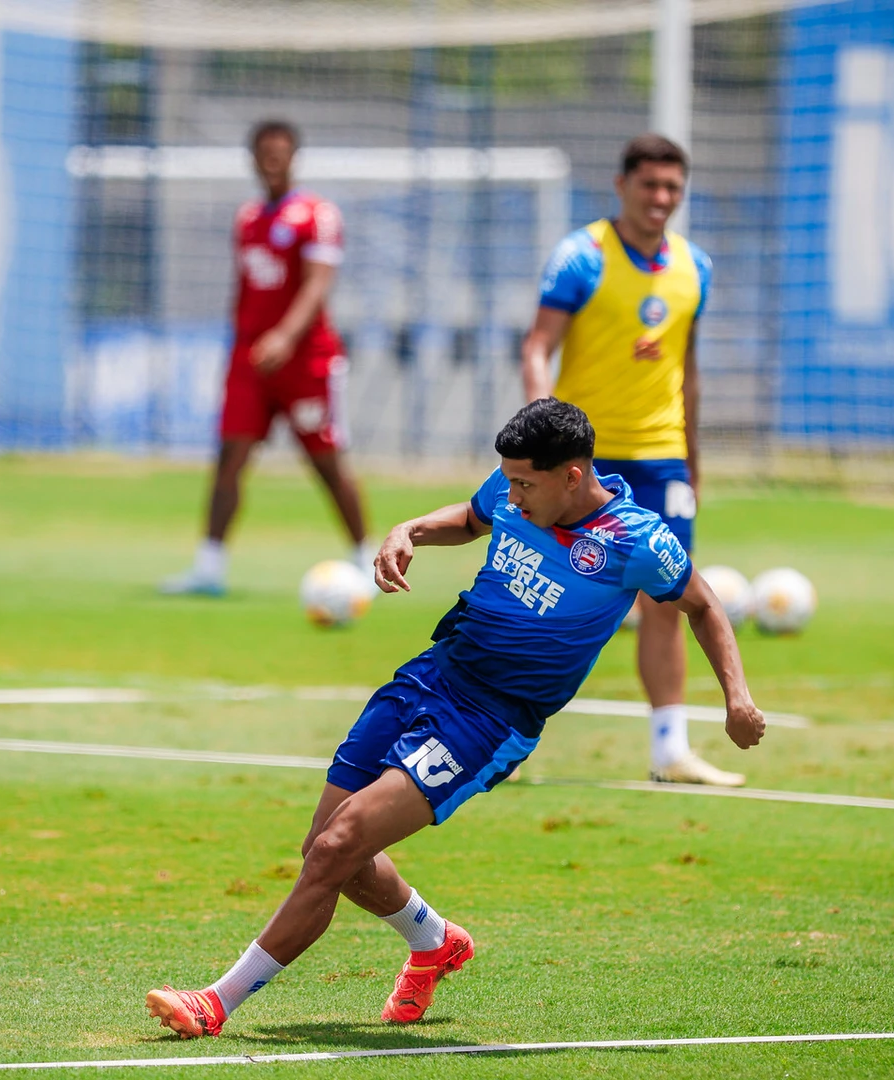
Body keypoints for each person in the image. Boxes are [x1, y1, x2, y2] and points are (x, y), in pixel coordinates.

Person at [145, 399, 766, 1039]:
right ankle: (435, 942)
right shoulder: (514, 486)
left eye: (526, 483)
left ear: (573, 477)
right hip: (432, 674)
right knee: (326, 851)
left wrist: (736, 698)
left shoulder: (637, 540)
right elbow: (471, 519)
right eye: (510, 480)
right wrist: (408, 530)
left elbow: (704, 605)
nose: (513, 494)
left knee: (336, 848)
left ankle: (215, 1004)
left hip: (490, 722)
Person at [518, 134, 733, 785]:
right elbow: (536, 347)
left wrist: (692, 457)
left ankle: (670, 751)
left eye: (673, 188)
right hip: (583, 459)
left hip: (662, 458)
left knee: (667, 599)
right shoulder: (580, 257)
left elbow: (687, 369)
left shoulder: (695, 266)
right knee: (544, 593)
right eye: (650, 186)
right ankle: (503, 735)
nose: (661, 199)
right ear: (622, 186)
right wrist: (541, 437)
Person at [160, 119, 370, 596]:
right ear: (252, 158)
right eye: (263, 152)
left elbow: (318, 283)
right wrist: (244, 342)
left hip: (306, 361)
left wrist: (285, 336)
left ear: (294, 156)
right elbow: (247, 289)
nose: (271, 160)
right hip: (251, 363)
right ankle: (208, 568)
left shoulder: (318, 214)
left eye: (280, 151)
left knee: (326, 461)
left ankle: (367, 560)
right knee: (229, 457)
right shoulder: (248, 219)